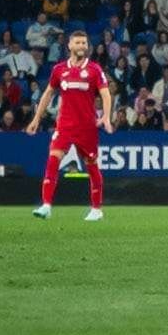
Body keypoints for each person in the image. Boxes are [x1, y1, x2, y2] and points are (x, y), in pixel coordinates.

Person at [29, 28, 113, 222]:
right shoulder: (59, 69)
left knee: (91, 165)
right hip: (65, 125)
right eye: (78, 42)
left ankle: (96, 209)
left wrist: (106, 117)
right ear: (69, 45)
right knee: (53, 159)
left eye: (84, 43)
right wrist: (36, 119)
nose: (82, 46)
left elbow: (106, 94)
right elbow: (48, 94)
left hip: (87, 126)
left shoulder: (94, 69)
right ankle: (46, 205)